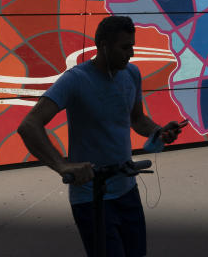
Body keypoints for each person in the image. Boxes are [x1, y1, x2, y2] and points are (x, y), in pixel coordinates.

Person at [17, 15, 184, 256]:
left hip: (127, 190)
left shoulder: (132, 74)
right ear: (104, 46)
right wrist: (62, 165)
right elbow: (29, 125)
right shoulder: (75, 80)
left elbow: (137, 119)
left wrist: (158, 131)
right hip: (91, 197)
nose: (132, 54)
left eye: (132, 46)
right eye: (125, 47)